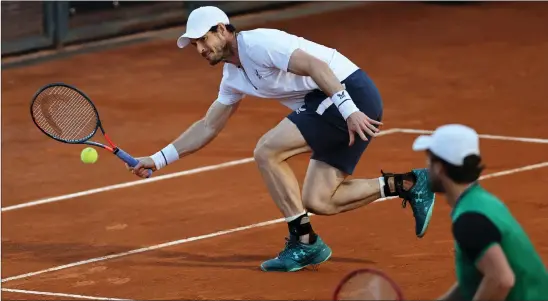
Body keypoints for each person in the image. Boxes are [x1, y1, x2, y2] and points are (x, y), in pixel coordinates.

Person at [127, 6, 436, 272]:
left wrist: (349, 110)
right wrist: (157, 159)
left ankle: (304, 241)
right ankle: (409, 184)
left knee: (266, 150)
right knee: (320, 200)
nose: (200, 49)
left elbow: (316, 66)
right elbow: (208, 125)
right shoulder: (233, 77)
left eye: (203, 40)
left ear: (222, 30)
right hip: (330, 103)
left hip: (345, 92)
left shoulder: (259, 43)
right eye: (195, 45)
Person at [412, 124, 548, 300]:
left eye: (429, 161)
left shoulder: (469, 221)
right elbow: (478, 276)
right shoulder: (481, 201)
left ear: (440, 168)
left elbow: (501, 280)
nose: (427, 168)